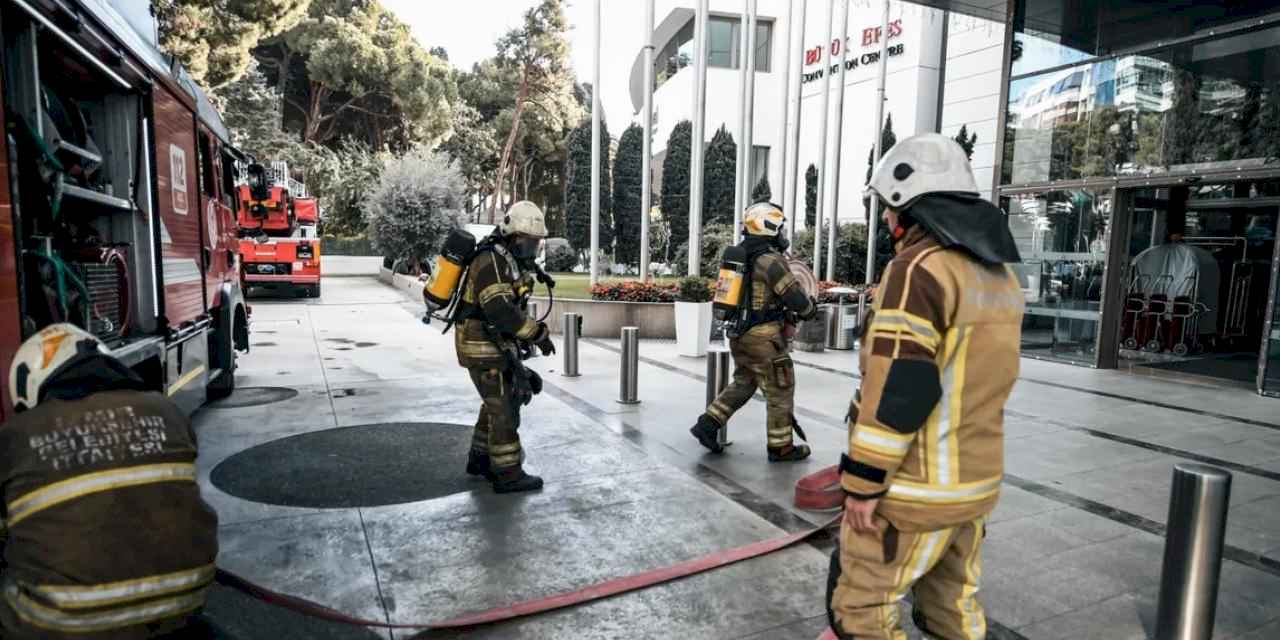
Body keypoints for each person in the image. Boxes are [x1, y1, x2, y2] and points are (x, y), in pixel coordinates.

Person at [825, 133, 1025, 639]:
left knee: (862, 609)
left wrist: (863, 484)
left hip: (913, 491)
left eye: (888, 209)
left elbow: (902, 387)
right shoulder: (999, 277)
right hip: (975, 486)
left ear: (905, 205)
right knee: (953, 609)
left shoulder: (917, 271)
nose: (887, 221)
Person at [0, 324, 219, 639]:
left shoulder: (16, 435)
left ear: (31, 383)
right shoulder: (167, 410)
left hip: (56, 623)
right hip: (186, 602)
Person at [689, 202, 818, 462]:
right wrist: (809, 309)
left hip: (739, 335)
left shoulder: (742, 255)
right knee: (781, 387)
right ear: (768, 226)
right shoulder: (771, 261)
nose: (782, 233)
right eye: (779, 227)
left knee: (745, 382)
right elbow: (794, 296)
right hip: (764, 338)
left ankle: (707, 424)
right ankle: (781, 447)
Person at [454, 201, 556, 493]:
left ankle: (480, 458)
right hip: (481, 347)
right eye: (530, 241)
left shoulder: (506, 260)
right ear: (514, 236)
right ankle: (507, 473)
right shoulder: (490, 262)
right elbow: (500, 311)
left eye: (537, 242)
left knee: (494, 403)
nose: (534, 248)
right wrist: (536, 334)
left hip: (491, 345)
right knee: (504, 409)